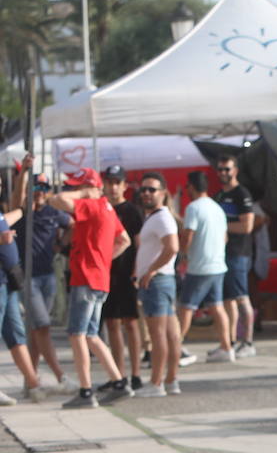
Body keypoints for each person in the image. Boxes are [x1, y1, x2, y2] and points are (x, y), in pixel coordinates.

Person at [46, 168, 132, 408]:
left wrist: (84, 192)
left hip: (86, 277)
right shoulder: (108, 208)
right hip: (99, 278)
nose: (73, 191)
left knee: (77, 334)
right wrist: (104, 260)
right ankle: (119, 382)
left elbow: (56, 200)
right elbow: (124, 240)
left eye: (77, 187)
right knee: (92, 334)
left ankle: (85, 392)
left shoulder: (93, 205)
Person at [13, 172, 72, 388]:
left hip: (47, 276)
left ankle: (31, 379)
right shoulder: (22, 211)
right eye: (36, 189)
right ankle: (60, 376)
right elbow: (17, 195)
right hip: (28, 278)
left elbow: (72, 224)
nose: (39, 194)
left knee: (36, 329)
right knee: (43, 327)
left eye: (43, 189)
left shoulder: (53, 212)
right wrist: (24, 175)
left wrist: (61, 245)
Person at [177, 171, 235, 363]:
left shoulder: (193, 208)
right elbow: (225, 237)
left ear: (192, 187)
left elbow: (188, 235)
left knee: (186, 307)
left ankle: (175, 347)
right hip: (218, 264)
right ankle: (227, 347)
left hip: (200, 266)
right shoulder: (217, 208)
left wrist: (183, 255)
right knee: (217, 307)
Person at [134, 172, 182, 397]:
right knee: (171, 334)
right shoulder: (157, 216)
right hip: (162, 280)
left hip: (158, 281)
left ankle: (156, 382)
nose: (146, 193)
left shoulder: (162, 217)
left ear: (163, 193)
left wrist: (150, 271)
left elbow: (172, 247)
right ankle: (170, 380)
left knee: (158, 335)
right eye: (143, 189)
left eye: (151, 189)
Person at [0, 163, 45, 402]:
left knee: (16, 333)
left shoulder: (1, 213)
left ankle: (34, 383)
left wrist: (24, 175)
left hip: (7, 282)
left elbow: (18, 208)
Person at [99, 166, 144, 393]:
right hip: (106, 273)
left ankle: (135, 373)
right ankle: (119, 374)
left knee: (130, 322)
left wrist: (137, 271)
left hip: (126, 273)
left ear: (125, 186)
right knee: (111, 323)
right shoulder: (102, 208)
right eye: (110, 182)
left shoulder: (132, 211)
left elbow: (139, 244)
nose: (113, 187)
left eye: (118, 182)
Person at [213, 155, 257, 357]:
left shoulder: (242, 194)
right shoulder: (219, 196)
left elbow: (247, 226)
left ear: (235, 170)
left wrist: (220, 226)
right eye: (220, 169)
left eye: (227, 169)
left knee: (241, 298)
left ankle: (247, 342)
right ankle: (229, 342)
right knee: (228, 299)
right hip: (222, 254)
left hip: (239, 253)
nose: (223, 173)